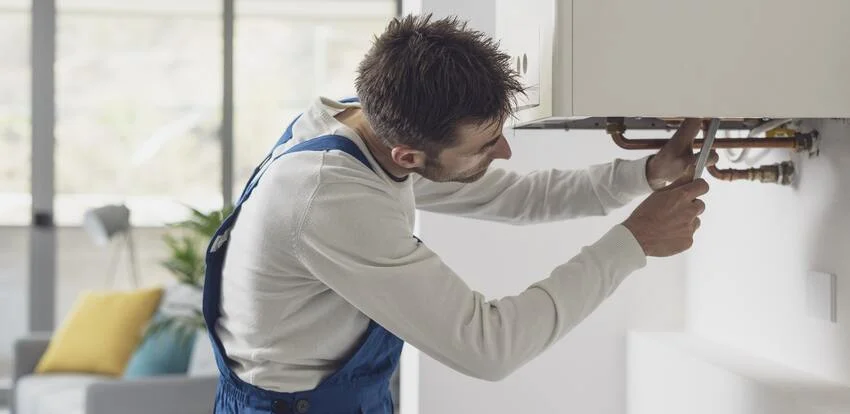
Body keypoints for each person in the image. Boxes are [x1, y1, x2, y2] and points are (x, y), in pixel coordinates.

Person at [202, 13, 714, 414]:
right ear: (409, 158)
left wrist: (647, 171)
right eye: (487, 145)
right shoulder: (331, 197)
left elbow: (513, 196)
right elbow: (489, 346)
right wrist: (634, 241)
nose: (506, 153)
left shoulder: (367, 121)